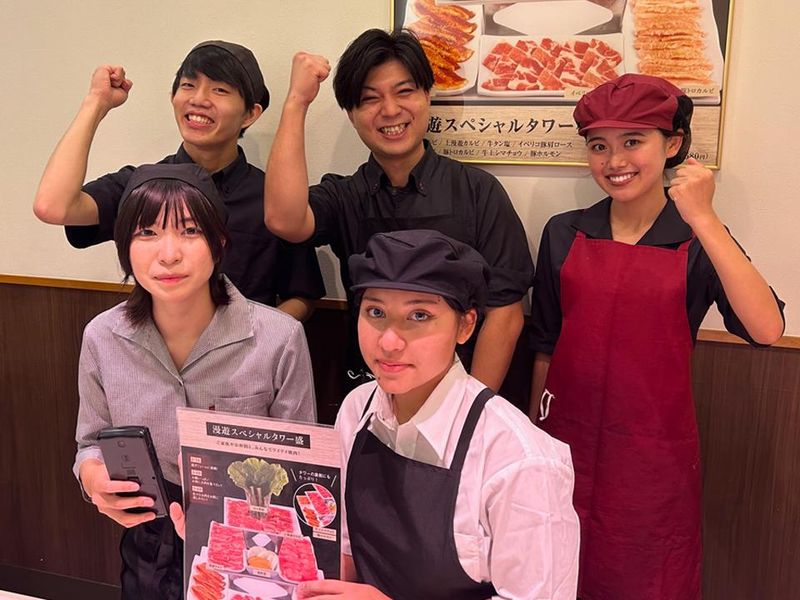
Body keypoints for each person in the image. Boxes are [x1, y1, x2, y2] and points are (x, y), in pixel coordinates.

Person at [528, 74, 786, 600]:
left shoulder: (697, 238)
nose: (614, 160)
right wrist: (534, 438)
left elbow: (766, 329)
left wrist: (704, 217)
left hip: (653, 456)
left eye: (633, 141)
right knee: (555, 570)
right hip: (563, 442)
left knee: (647, 576)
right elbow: (547, 343)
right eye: (599, 146)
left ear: (672, 145)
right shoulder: (563, 231)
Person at [73, 164, 317, 600]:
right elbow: (90, 442)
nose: (168, 254)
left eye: (189, 231)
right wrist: (93, 477)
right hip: (149, 532)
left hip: (249, 540)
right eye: (147, 232)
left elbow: (301, 466)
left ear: (219, 242)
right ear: (125, 246)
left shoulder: (279, 338)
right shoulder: (102, 336)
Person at [297, 230, 579, 600]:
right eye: (375, 312)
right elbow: (347, 548)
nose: (389, 342)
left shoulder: (521, 461)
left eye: (419, 315)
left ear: (466, 326)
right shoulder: (358, 409)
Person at [264, 29, 533, 393]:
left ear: (427, 95)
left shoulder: (478, 191)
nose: (390, 110)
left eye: (404, 92)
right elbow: (284, 220)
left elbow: (505, 314)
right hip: (369, 388)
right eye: (370, 98)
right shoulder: (345, 195)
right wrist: (297, 102)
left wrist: (468, 409)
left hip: (457, 389)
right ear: (351, 114)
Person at [33, 40, 324, 319]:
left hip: (248, 350)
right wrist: (96, 102)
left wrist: (258, 339)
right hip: (154, 348)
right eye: (188, 85)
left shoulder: (274, 198)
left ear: (250, 114)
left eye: (220, 89)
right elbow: (53, 206)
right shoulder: (142, 186)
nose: (198, 99)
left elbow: (301, 295)